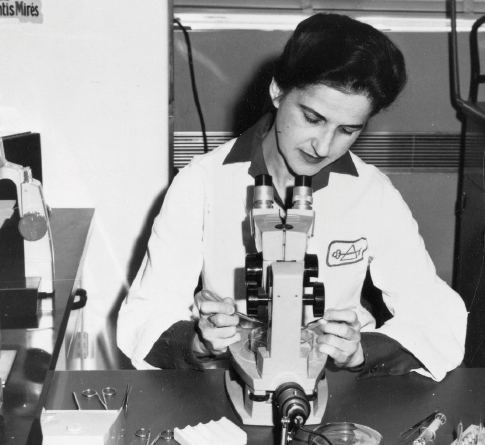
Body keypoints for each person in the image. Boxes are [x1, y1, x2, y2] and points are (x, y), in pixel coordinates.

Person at [118, 13, 466, 381]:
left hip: (334, 384)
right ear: (277, 91)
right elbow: (144, 315)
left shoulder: (372, 192)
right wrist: (200, 342)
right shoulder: (202, 182)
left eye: (348, 130)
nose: (324, 145)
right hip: (228, 379)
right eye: (312, 118)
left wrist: (361, 352)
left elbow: (437, 316)